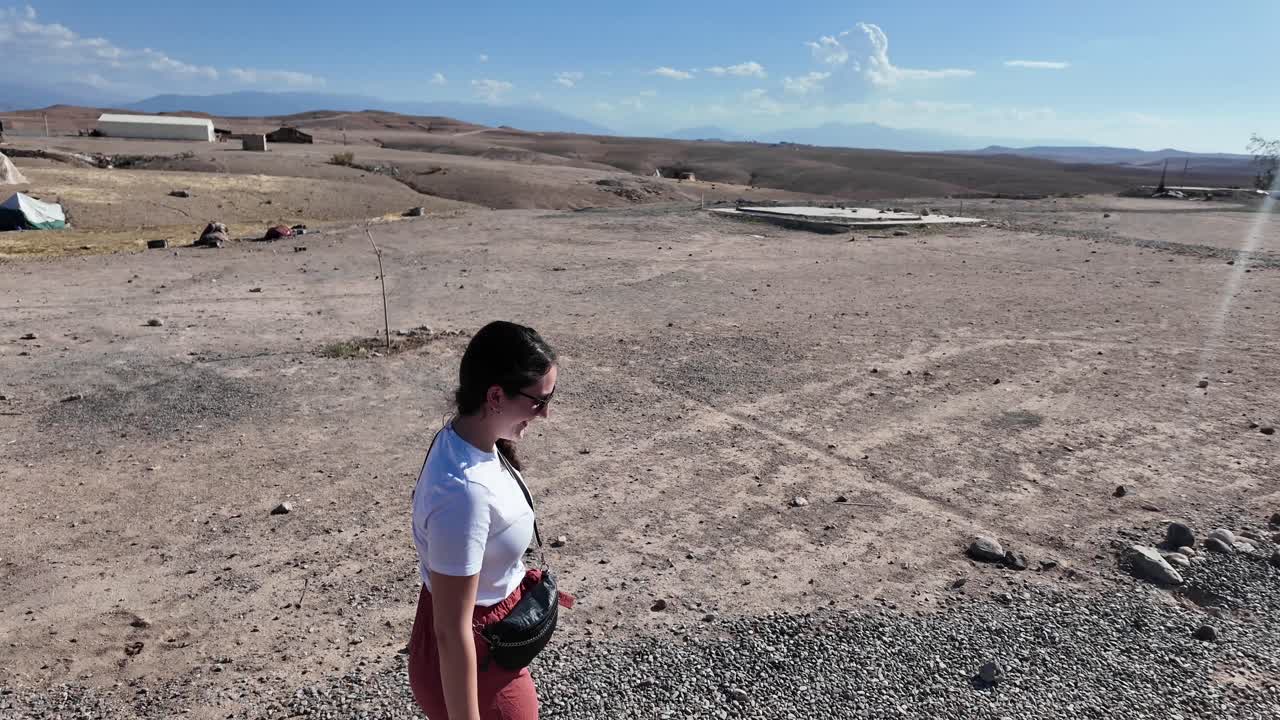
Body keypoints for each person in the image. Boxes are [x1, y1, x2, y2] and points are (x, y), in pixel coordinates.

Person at [409, 321, 558, 720]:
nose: (545, 413)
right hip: (474, 655)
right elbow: (450, 630)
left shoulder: (469, 440)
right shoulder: (464, 493)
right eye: (539, 401)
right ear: (495, 396)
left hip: (491, 641)